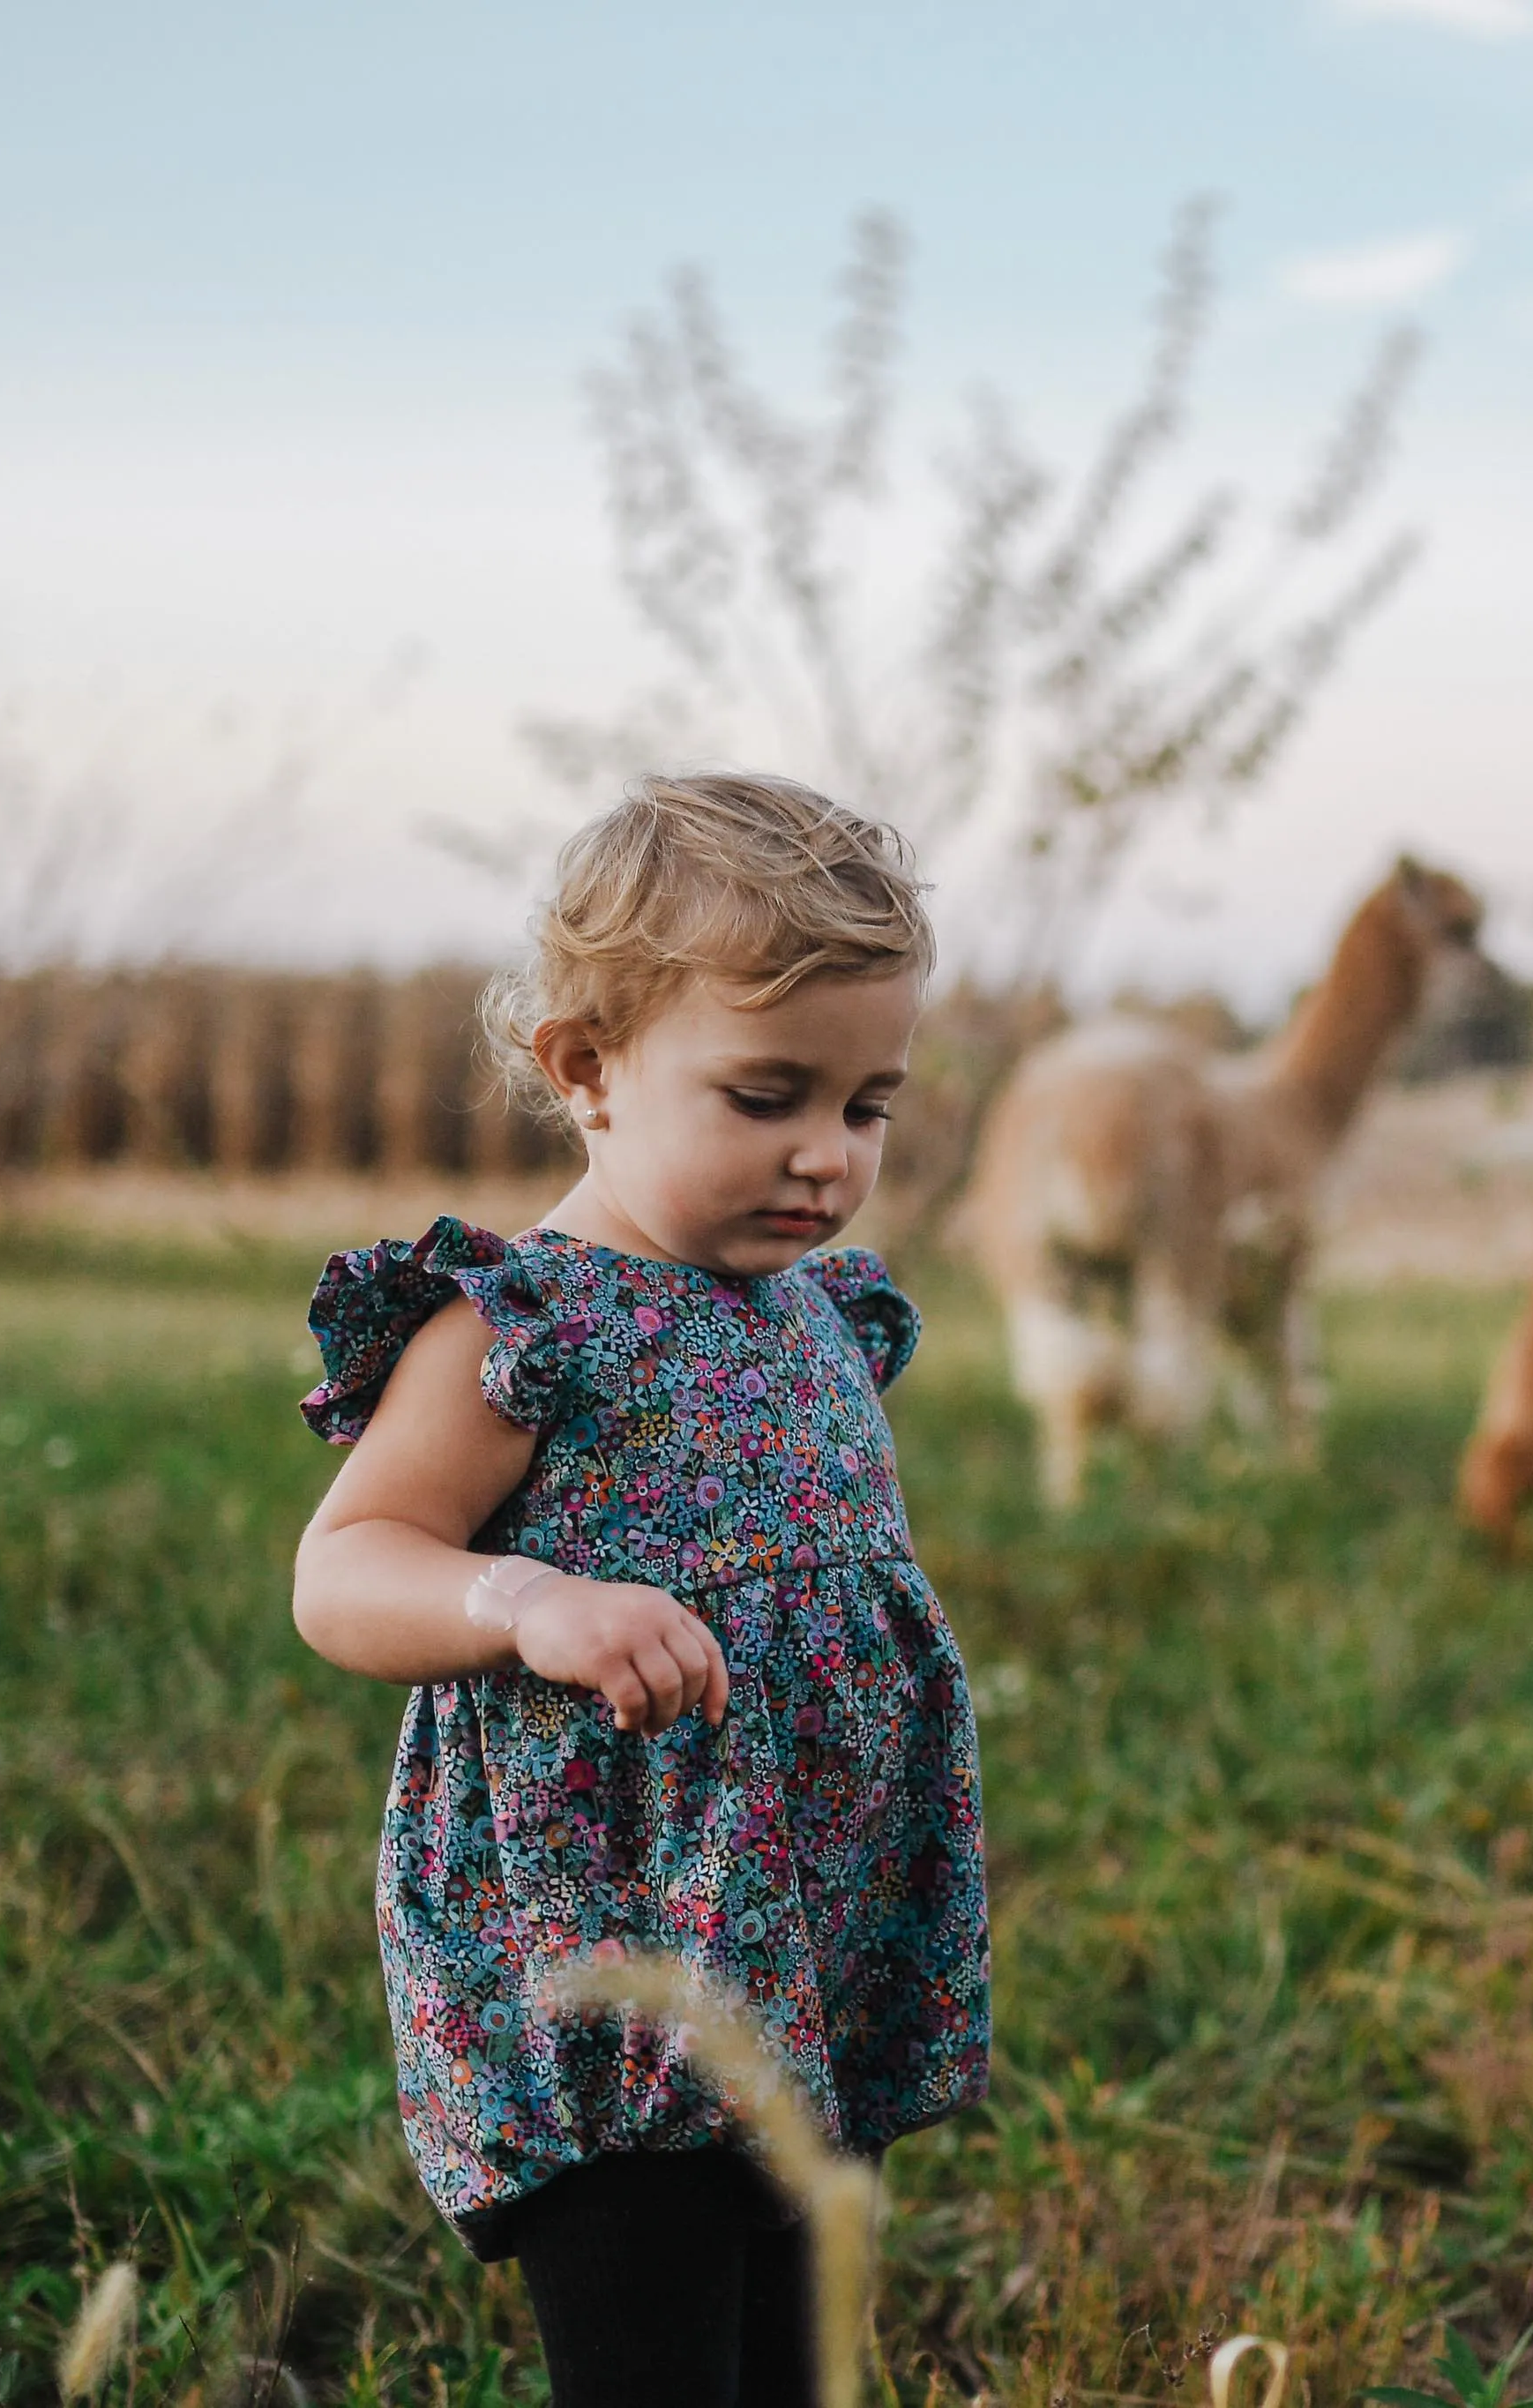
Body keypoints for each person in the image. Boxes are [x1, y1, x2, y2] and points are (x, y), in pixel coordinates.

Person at [290, 773, 988, 2408]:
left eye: (867, 1104)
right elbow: (345, 1567)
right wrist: (526, 1599)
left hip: (814, 1940)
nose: (827, 1155)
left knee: (800, 2356)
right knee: (661, 2359)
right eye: (766, 1096)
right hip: (615, 1962)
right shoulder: (524, 1321)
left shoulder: (823, 1309)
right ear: (589, 1068)